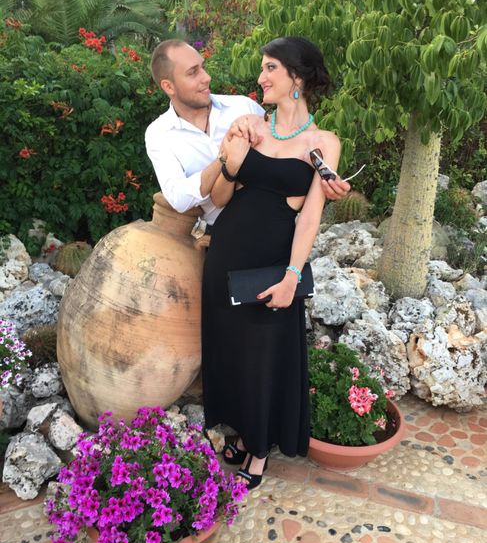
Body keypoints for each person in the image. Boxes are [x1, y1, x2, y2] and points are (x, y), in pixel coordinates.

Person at [201, 36, 341, 490]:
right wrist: (230, 156)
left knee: (263, 355)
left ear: (296, 77)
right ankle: (242, 433)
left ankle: (260, 450)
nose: (260, 78)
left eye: (270, 68)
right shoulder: (252, 128)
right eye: (262, 68)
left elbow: (310, 217)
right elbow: (221, 197)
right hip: (226, 253)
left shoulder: (323, 143)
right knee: (232, 352)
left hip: (272, 263)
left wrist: (292, 277)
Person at [145, 39, 350, 230]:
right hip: (214, 235)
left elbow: (288, 144)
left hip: (270, 228)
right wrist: (225, 157)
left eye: (203, 67)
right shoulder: (159, 134)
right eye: (193, 72)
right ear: (168, 86)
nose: (206, 77)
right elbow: (179, 199)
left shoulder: (243, 108)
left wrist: (323, 176)